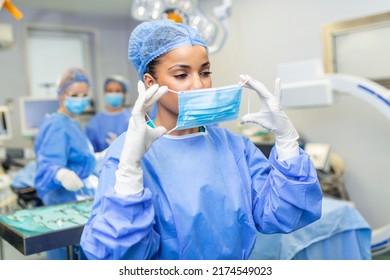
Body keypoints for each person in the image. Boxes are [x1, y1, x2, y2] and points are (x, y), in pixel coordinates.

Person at [80, 20, 322, 260]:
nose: (199, 84)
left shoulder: (235, 147)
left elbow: (284, 215)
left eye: (205, 72)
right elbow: (114, 257)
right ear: (151, 83)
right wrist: (130, 171)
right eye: (181, 74)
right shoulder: (128, 153)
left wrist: (287, 141)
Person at [34, 67, 97, 259]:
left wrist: (98, 157)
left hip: (77, 198)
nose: (80, 99)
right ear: (62, 95)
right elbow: (47, 164)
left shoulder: (71, 121)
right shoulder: (57, 125)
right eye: (74, 94)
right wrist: (59, 173)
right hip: (64, 202)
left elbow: (78, 156)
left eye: (84, 94)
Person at [85, 75, 131, 153]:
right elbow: (90, 153)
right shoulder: (95, 122)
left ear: (125, 94)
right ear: (104, 93)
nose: (113, 94)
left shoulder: (133, 118)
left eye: (118, 91)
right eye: (110, 91)